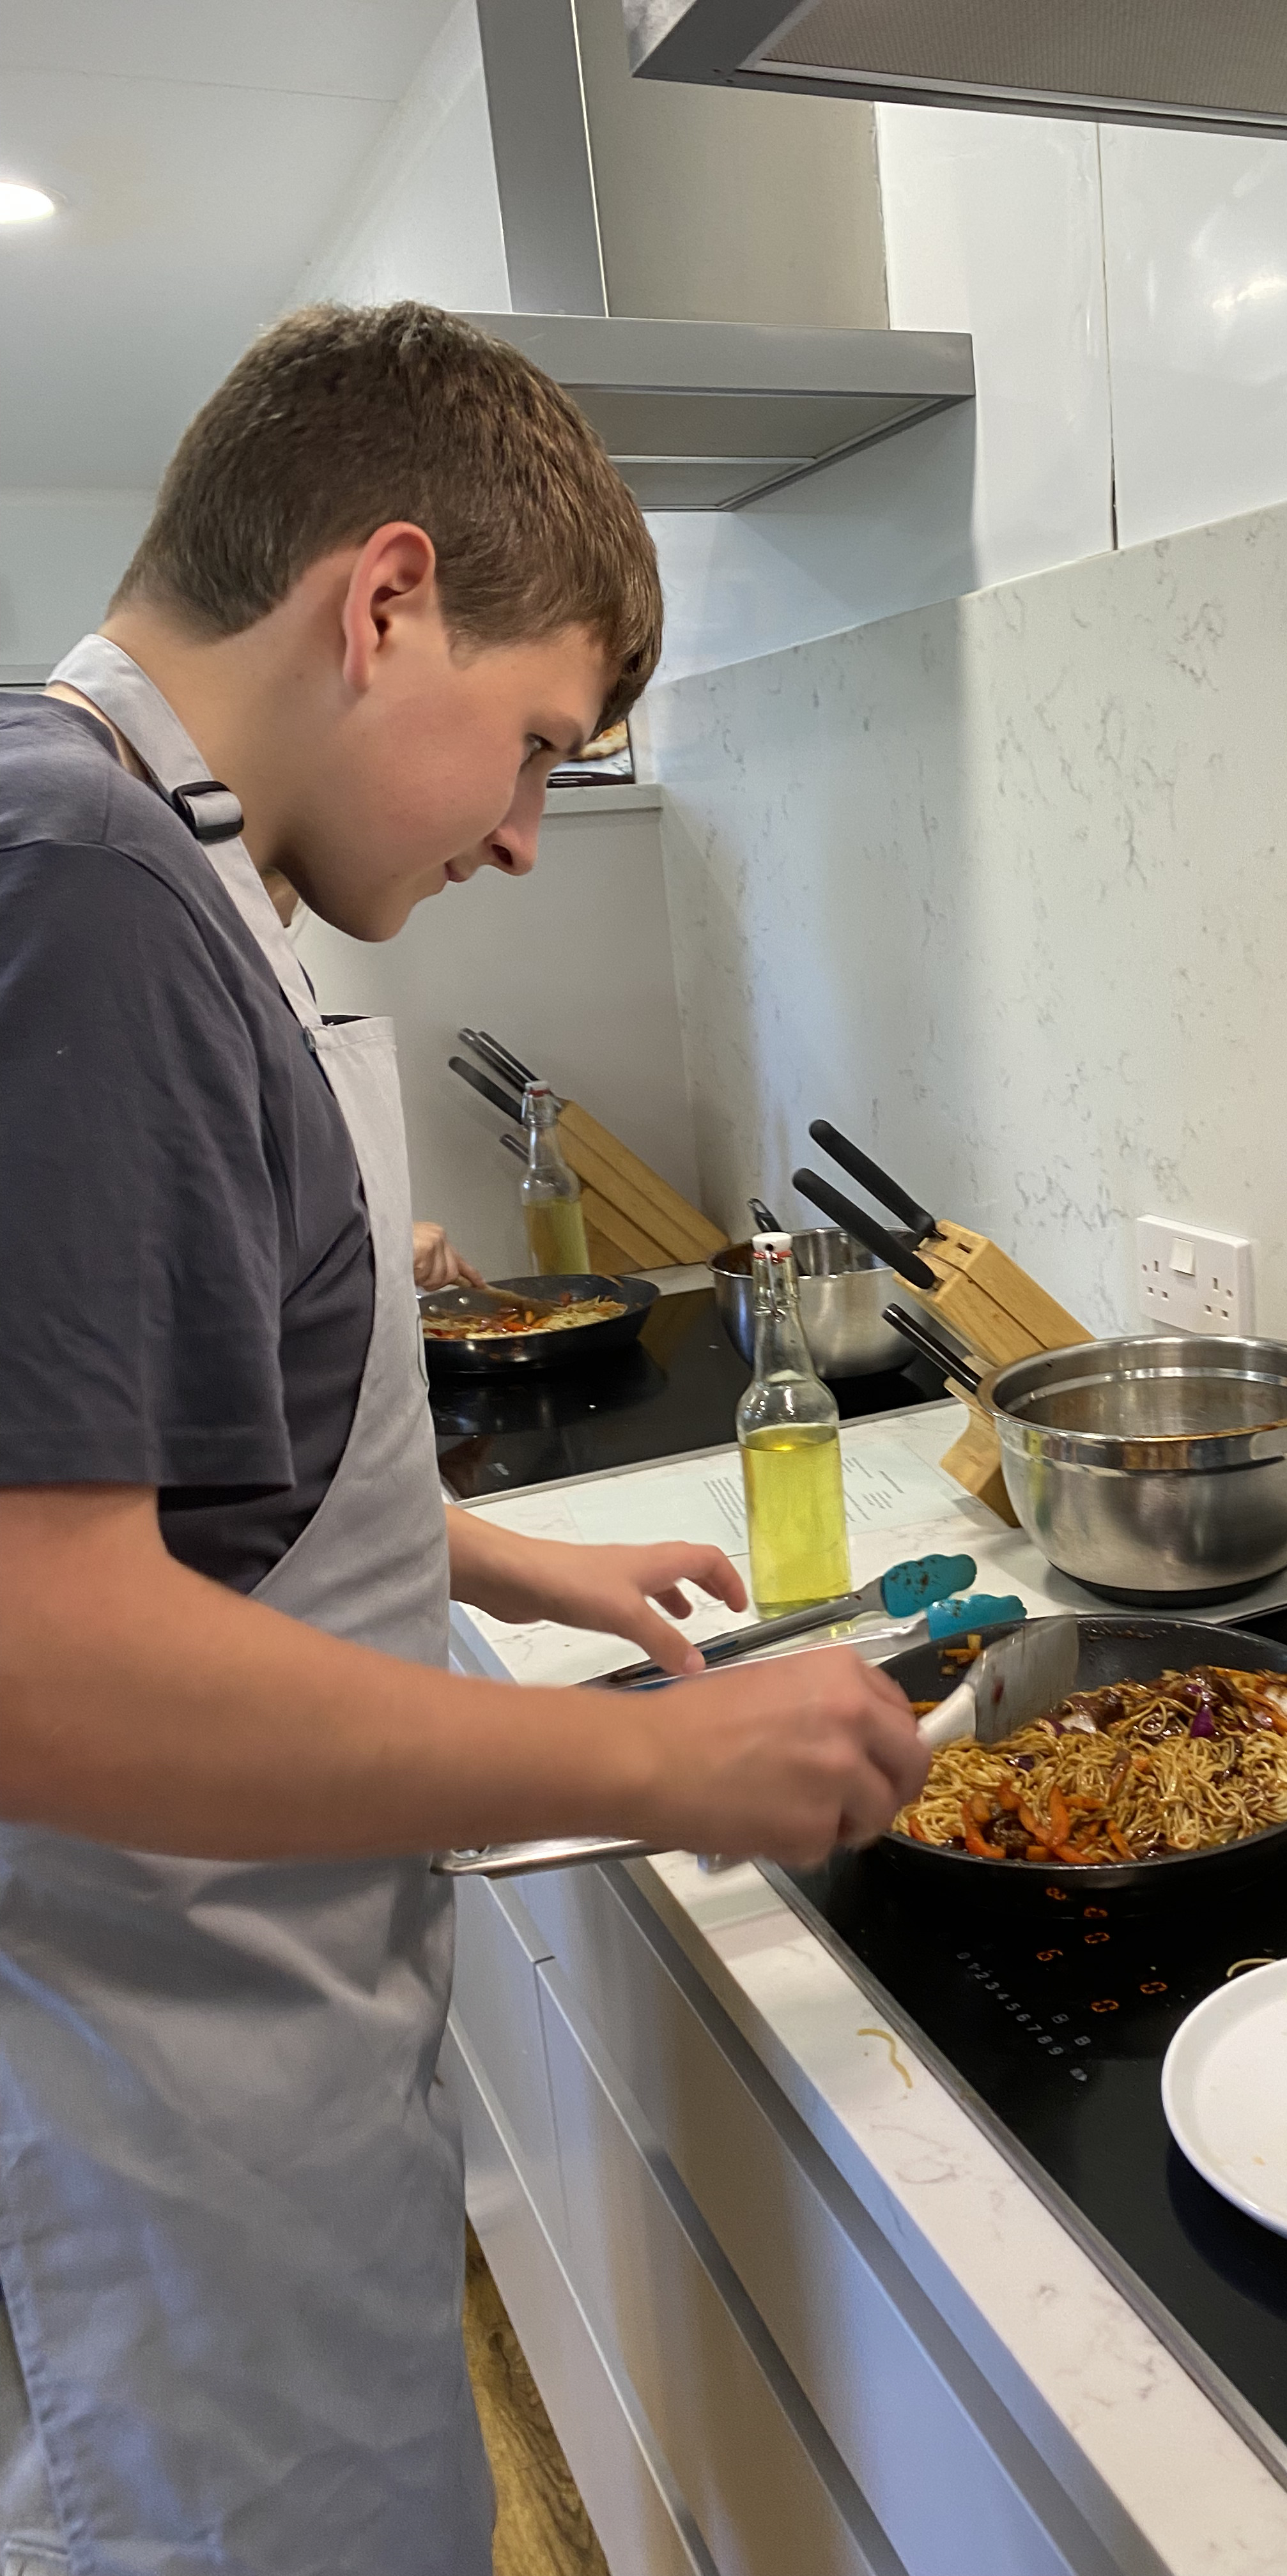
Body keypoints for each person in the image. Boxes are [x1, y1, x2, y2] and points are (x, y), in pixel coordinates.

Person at [0, 301, 927, 2576]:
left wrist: (512, 1565)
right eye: (535, 748)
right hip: (149, 2117)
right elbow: (40, 1652)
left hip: (250, 2034)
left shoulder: (162, 854)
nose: (528, 835)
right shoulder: (81, 884)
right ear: (387, 598)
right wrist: (647, 1767)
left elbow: (195, 1476)